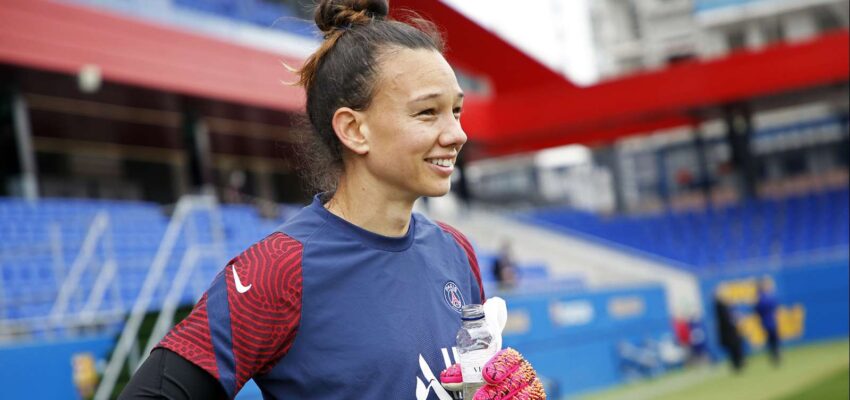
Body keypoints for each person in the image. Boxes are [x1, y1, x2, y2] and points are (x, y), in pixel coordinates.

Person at [119, 1, 545, 399]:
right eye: (427, 112)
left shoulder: (456, 250)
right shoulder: (281, 269)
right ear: (354, 130)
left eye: (456, 110)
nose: (457, 134)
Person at [713, 290, 745, 373]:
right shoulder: (720, 306)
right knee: (733, 348)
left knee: (736, 347)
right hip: (728, 332)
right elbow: (727, 318)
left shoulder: (725, 306)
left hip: (731, 331)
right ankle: (737, 364)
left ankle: (739, 363)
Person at [755, 276, 781, 366]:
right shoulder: (762, 297)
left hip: (769, 321)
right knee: (772, 340)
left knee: (774, 341)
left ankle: (775, 356)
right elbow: (760, 309)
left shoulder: (763, 296)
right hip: (768, 322)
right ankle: (775, 357)